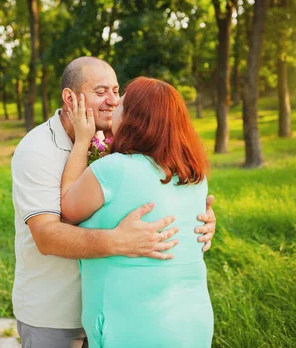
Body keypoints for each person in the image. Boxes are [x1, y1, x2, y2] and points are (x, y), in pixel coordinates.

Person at [12, 57, 216, 348]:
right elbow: (47, 236)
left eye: (117, 91)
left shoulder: (118, 147)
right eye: (101, 92)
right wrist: (119, 242)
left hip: (115, 313)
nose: (112, 100)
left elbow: (159, 195)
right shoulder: (37, 151)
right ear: (70, 98)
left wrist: (200, 221)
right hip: (57, 314)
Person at [60, 77, 213, 347]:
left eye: (122, 103)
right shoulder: (195, 176)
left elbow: (66, 210)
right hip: (194, 323)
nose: (115, 105)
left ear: (135, 118)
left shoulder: (114, 169)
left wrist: (83, 141)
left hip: (134, 328)